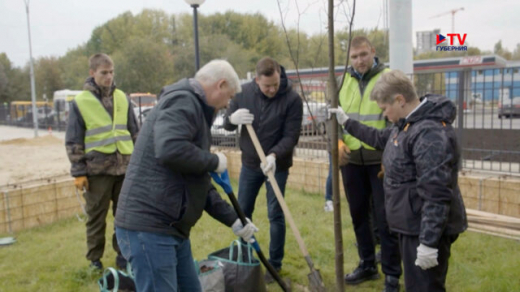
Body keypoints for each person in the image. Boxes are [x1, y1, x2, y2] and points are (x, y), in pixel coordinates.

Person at [114, 60, 259, 292]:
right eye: (229, 97)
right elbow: (169, 148)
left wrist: (233, 219)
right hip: (149, 228)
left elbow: (198, 179)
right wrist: (214, 160)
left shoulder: (196, 111)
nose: (227, 104)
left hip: (172, 228)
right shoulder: (183, 101)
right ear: (220, 85)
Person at [330, 70, 467, 292]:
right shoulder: (407, 125)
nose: (384, 115)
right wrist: (347, 122)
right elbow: (379, 138)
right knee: (416, 284)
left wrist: (429, 242)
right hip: (411, 223)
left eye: (385, 109)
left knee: (425, 286)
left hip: (422, 229)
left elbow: (436, 192)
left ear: (400, 100)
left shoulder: (429, 134)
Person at [223, 57, 303, 283]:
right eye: (267, 85)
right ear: (257, 80)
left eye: (275, 85)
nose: (272, 89)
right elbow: (227, 124)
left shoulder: (292, 99)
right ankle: (244, 260)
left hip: (276, 165)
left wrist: (274, 155)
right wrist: (232, 118)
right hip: (250, 164)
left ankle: (274, 265)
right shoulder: (242, 94)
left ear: (279, 76)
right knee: (242, 213)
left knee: (275, 214)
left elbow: (291, 135)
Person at [335, 36, 402, 291]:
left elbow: (397, 121)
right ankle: (367, 264)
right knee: (358, 214)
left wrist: (390, 156)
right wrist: (339, 143)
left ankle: (392, 274)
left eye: (363, 54)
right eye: (354, 57)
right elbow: (334, 118)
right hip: (351, 159)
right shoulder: (342, 81)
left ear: (373, 51)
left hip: (380, 160)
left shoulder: (388, 78)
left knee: (386, 218)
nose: (359, 60)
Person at [65, 53, 139, 271]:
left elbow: (135, 133)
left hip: (125, 168)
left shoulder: (122, 98)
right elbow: (73, 140)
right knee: (96, 218)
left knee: (124, 217)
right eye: (104, 73)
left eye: (111, 72)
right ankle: (94, 261)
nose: (109, 76)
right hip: (97, 171)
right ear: (92, 73)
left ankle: (123, 257)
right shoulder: (81, 102)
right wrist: (79, 172)